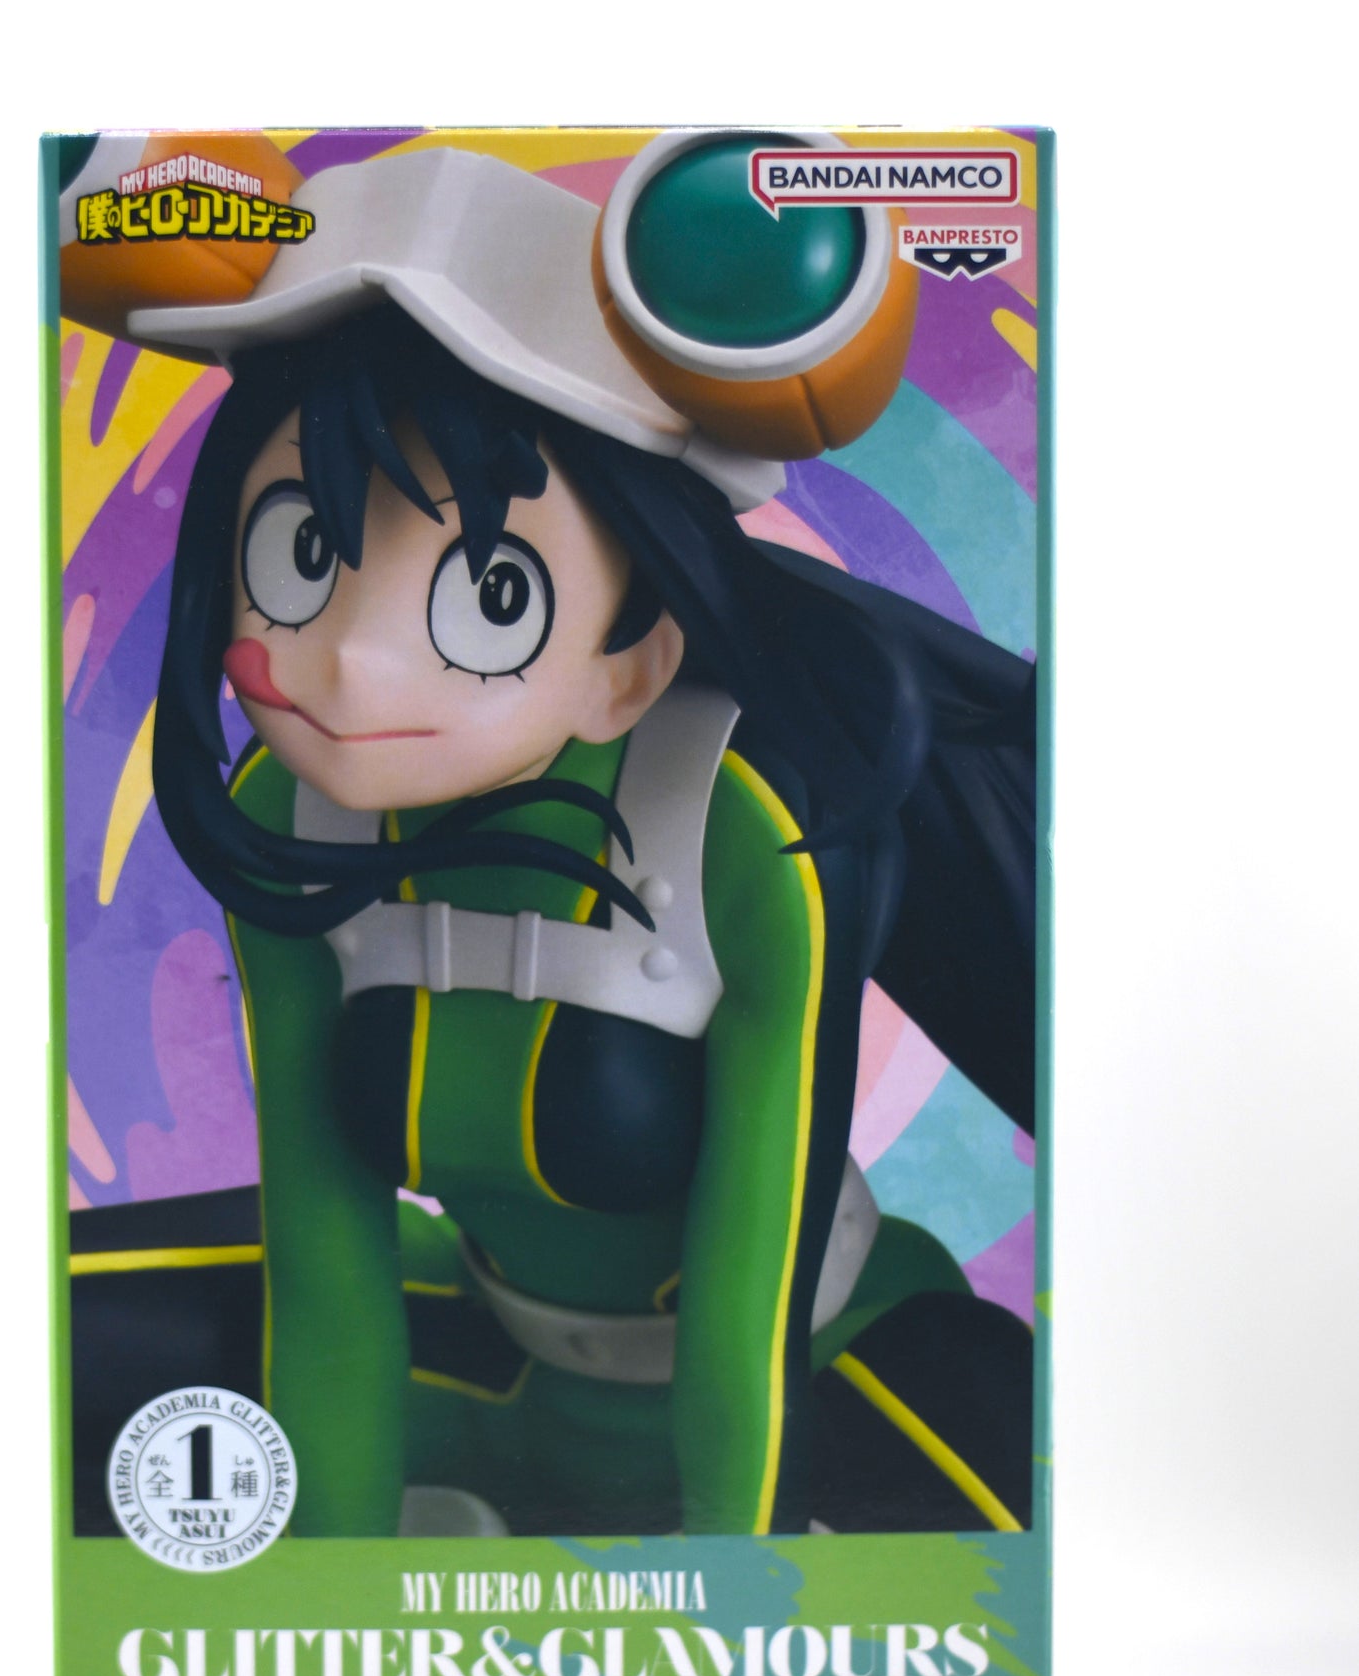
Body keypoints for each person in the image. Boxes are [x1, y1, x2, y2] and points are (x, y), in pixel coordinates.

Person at [77, 141, 1037, 1540]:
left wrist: (732, 1609)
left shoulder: (741, 839)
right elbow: (326, 1274)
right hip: (497, 1368)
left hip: (824, 1385)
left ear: (633, 661)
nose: (346, 662)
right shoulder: (294, 816)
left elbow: (749, 1323)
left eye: (490, 594)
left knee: (993, 1489)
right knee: (67, 1344)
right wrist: (329, 1614)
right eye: (299, 554)